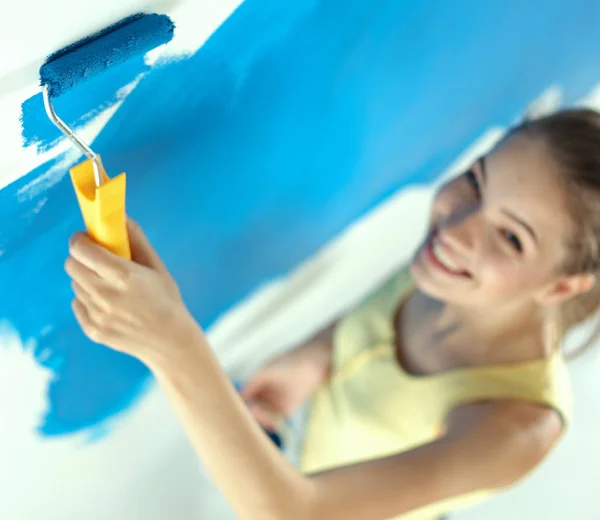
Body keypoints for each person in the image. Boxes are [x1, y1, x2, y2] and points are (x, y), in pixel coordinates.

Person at [64, 108, 600, 520]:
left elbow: (295, 512)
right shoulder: (446, 272)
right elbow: (370, 322)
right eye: (477, 180)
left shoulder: (517, 428)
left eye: (511, 237)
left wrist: (172, 345)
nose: (456, 226)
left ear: (564, 284)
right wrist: (312, 358)